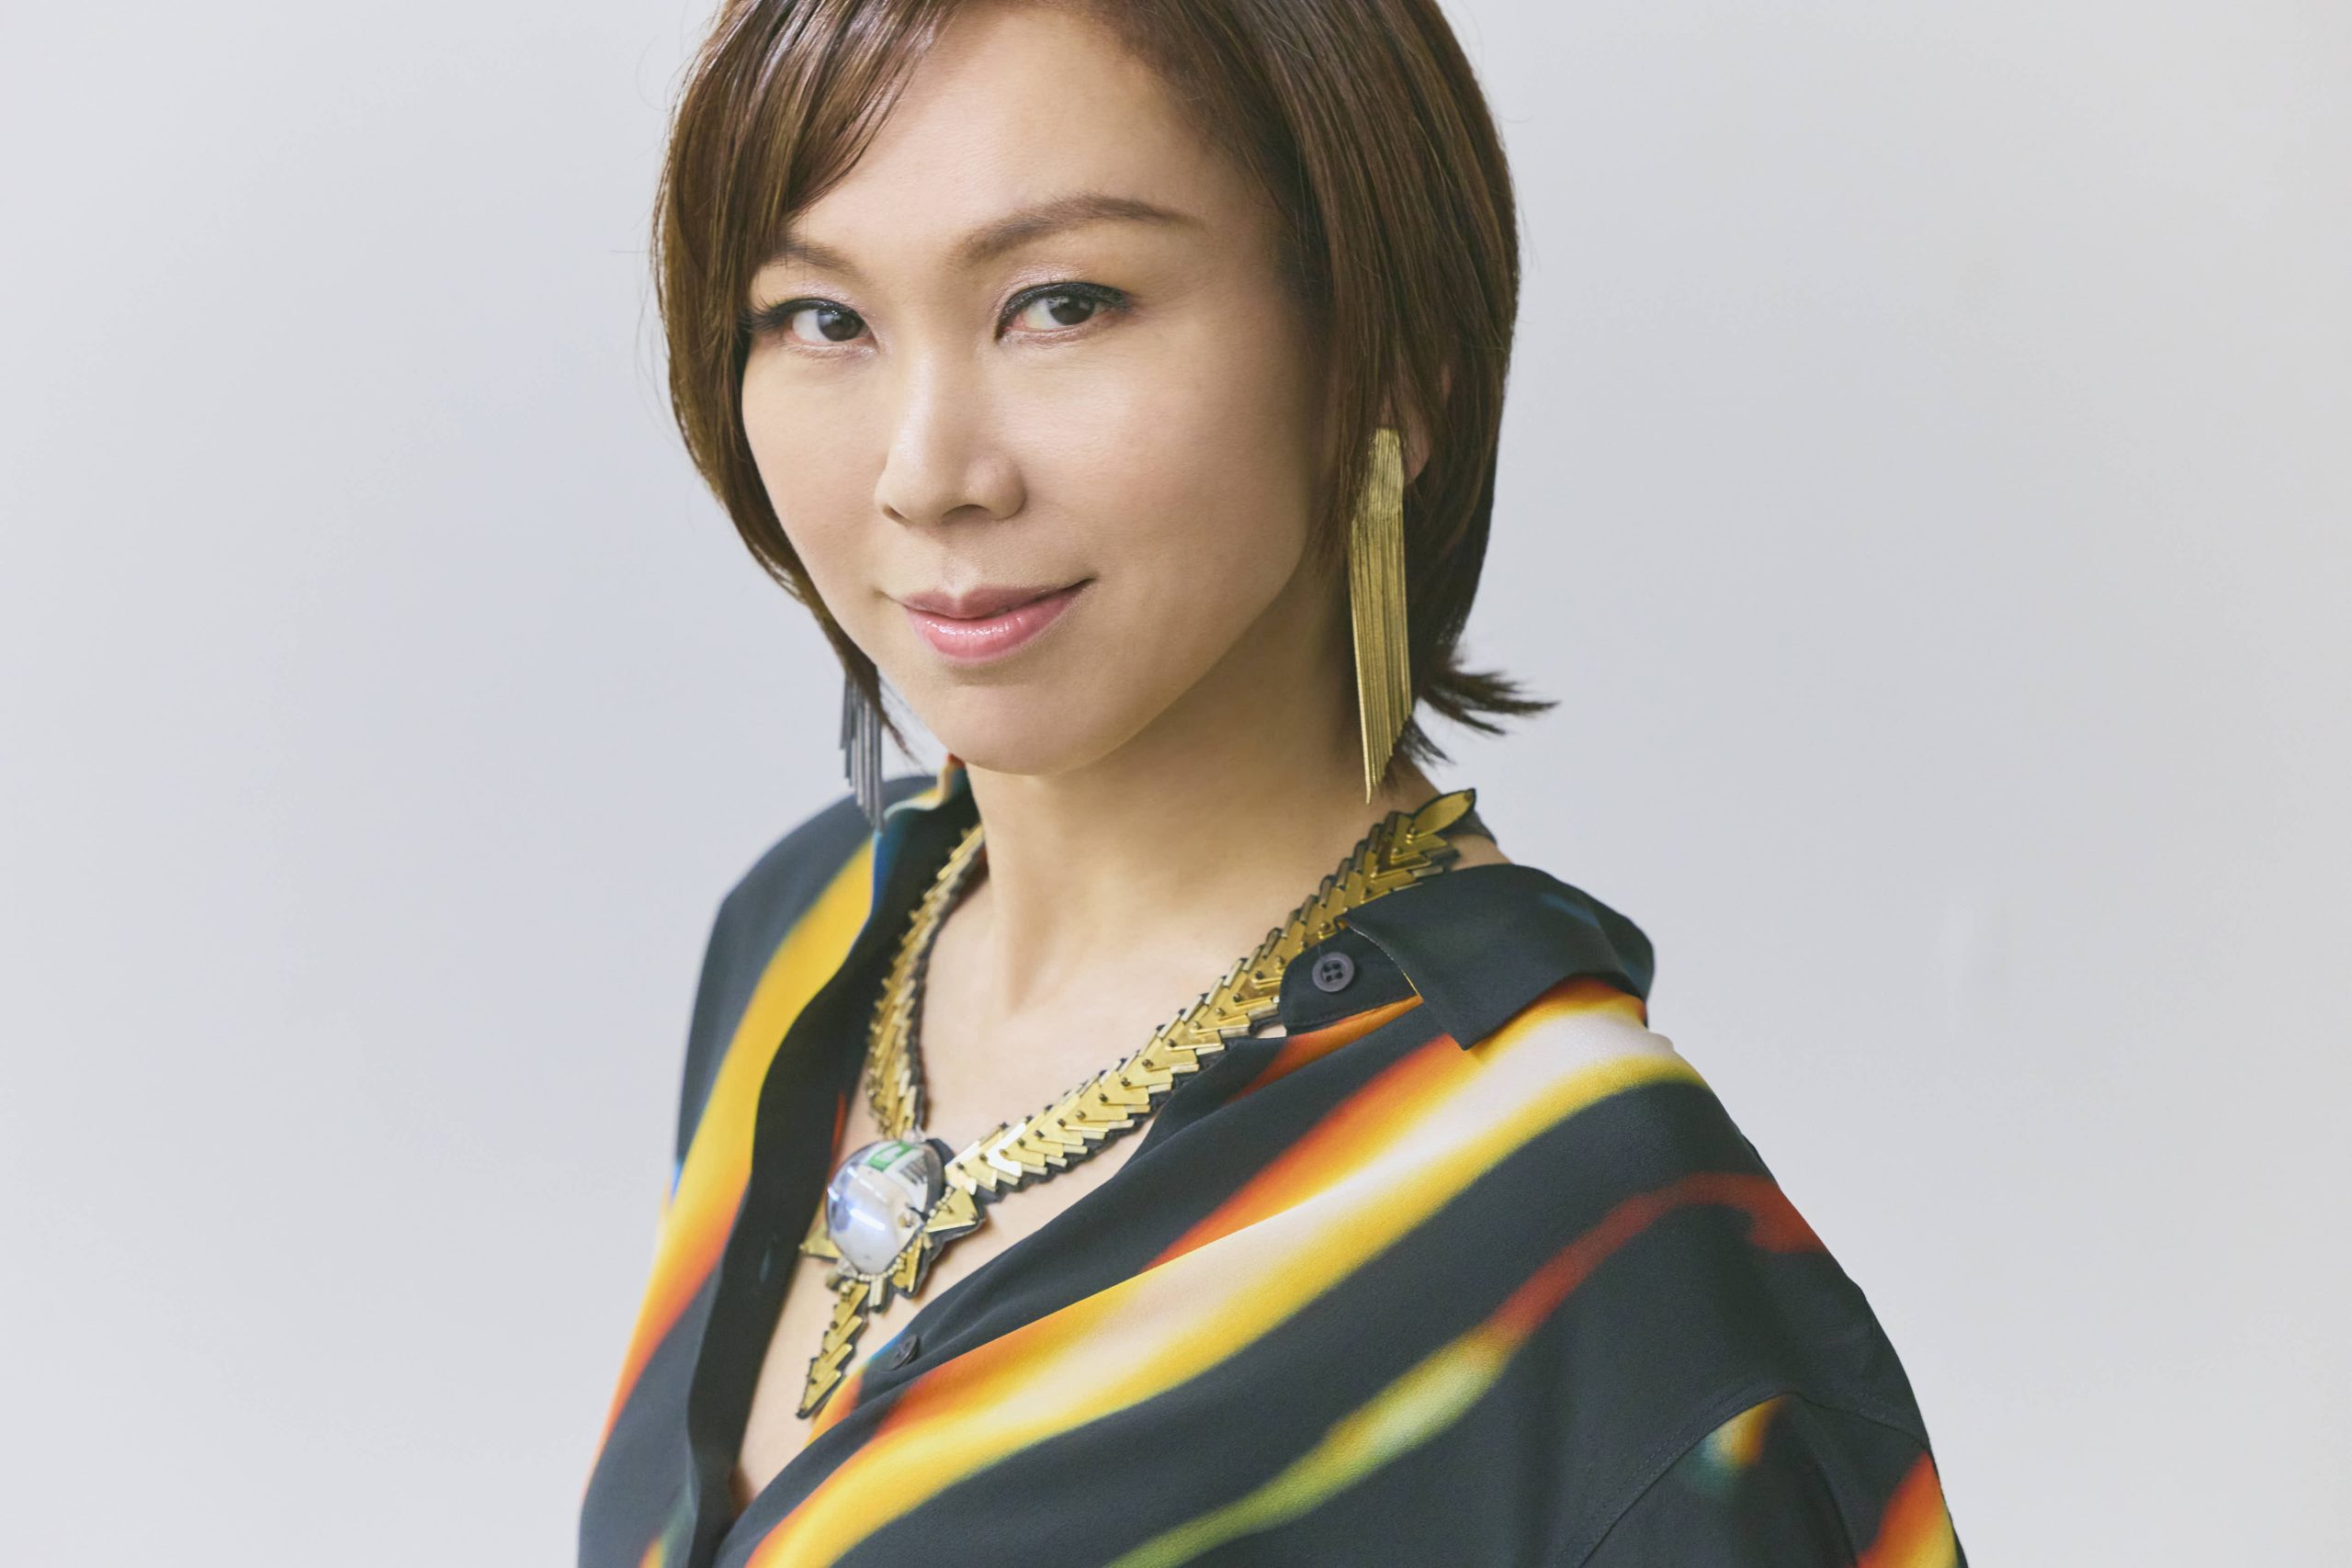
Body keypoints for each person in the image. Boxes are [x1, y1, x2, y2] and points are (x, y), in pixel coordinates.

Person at [581, 1, 1964, 1563]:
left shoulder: (1589, 1232)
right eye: (822, 319)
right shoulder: (810, 932)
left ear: (1392, 363)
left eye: (1063, 304)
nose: (926, 472)